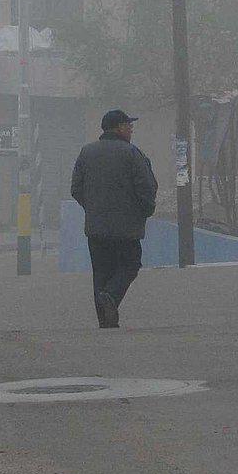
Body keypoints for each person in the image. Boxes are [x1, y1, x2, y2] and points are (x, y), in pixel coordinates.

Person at [70, 109, 157, 329]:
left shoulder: (86, 153)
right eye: (129, 126)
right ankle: (111, 295)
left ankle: (105, 321)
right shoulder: (133, 154)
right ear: (119, 128)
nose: (131, 129)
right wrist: (144, 211)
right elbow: (147, 188)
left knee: (101, 270)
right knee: (130, 264)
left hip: (96, 227)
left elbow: (76, 188)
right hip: (127, 228)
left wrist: (92, 208)